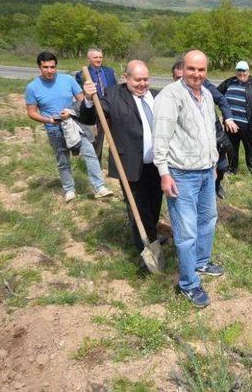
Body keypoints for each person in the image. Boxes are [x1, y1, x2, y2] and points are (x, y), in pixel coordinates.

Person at [153, 49, 224, 309]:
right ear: (182, 68)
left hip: (206, 171)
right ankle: (188, 284)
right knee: (186, 233)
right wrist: (164, 173)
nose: (197, 74)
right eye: (192, 69)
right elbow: (160, 138)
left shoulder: (205, 94)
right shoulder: (170, 96)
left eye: (201, 70)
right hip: (181, 174)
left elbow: (209, 131)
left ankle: (201, 262)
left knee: (208, 219)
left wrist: (213, 163)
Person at [80, 60, 162, 256]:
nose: (142, 84)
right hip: (131, 165)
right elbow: (90, 118)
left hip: (158, 166)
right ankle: (145, 249)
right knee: (138, 211)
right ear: (126, 78)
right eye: (137, 80)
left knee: (154, 206)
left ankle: (152, 237)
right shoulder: (113, 94)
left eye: (146, 79)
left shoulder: (157, 96)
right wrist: (89, 99)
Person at [25, 51, 113, 202]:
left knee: (90, 154)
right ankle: (69, 190)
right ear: (39, 67)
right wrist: (49, 120)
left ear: (56, 67)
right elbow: (31, 112)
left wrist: (74, 109)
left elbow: (82, 101)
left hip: (75, 125)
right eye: (45, 67)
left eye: (52, 67)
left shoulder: (67, 80)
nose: (49, 71)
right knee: (63, 161)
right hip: (55, 130)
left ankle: (99, 187)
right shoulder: (32, 87)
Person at [173, 59, 237, 199]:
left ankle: (217, 185)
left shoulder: (204, 86)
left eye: (180, 77)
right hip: (190, 139)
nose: (179, 80)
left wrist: (228, 118)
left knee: (221, 166)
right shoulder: (173, 94)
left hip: (213, 134)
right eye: (176, 78)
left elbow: (221, 99)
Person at [217, 61, 252, 174]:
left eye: (244, 71)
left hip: (247, 123)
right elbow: (217, 94)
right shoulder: (229, 82)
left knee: (249, 148)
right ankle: (232, 169)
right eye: (239, 70)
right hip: (230, 123)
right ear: (236, 71)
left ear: (248, 71)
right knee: (231, 148)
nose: (241, 73)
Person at [75, 48, 117, 161]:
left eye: (100, 57)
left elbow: (115, 88)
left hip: (111, 108)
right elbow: (80, 94)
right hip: (95, 110)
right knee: (97, 139)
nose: (98, 60)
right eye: (95, 57)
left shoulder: (109, 71)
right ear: (89, 59)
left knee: (116, 139)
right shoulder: (82, 74)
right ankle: (95, 164)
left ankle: (114, 164)